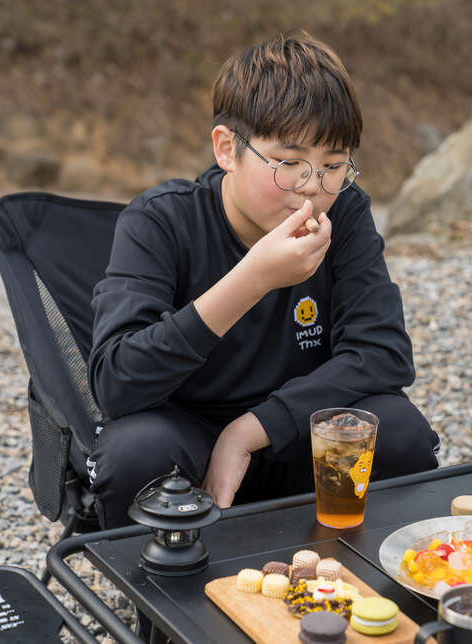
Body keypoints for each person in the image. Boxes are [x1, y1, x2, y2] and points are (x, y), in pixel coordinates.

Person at [87, 33, 440, 529]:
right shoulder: (161, 221)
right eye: (290, 162)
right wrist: (252, 278)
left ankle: (357, 586)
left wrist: (250, 431)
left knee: (398, 430)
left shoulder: (347, 214)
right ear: (227, 148)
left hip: (294, 431)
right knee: (135, 451)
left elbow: (382, 353)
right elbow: (116, 382)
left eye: (334, 165)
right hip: (183, 437)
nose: (313, 188)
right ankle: (166, 597)